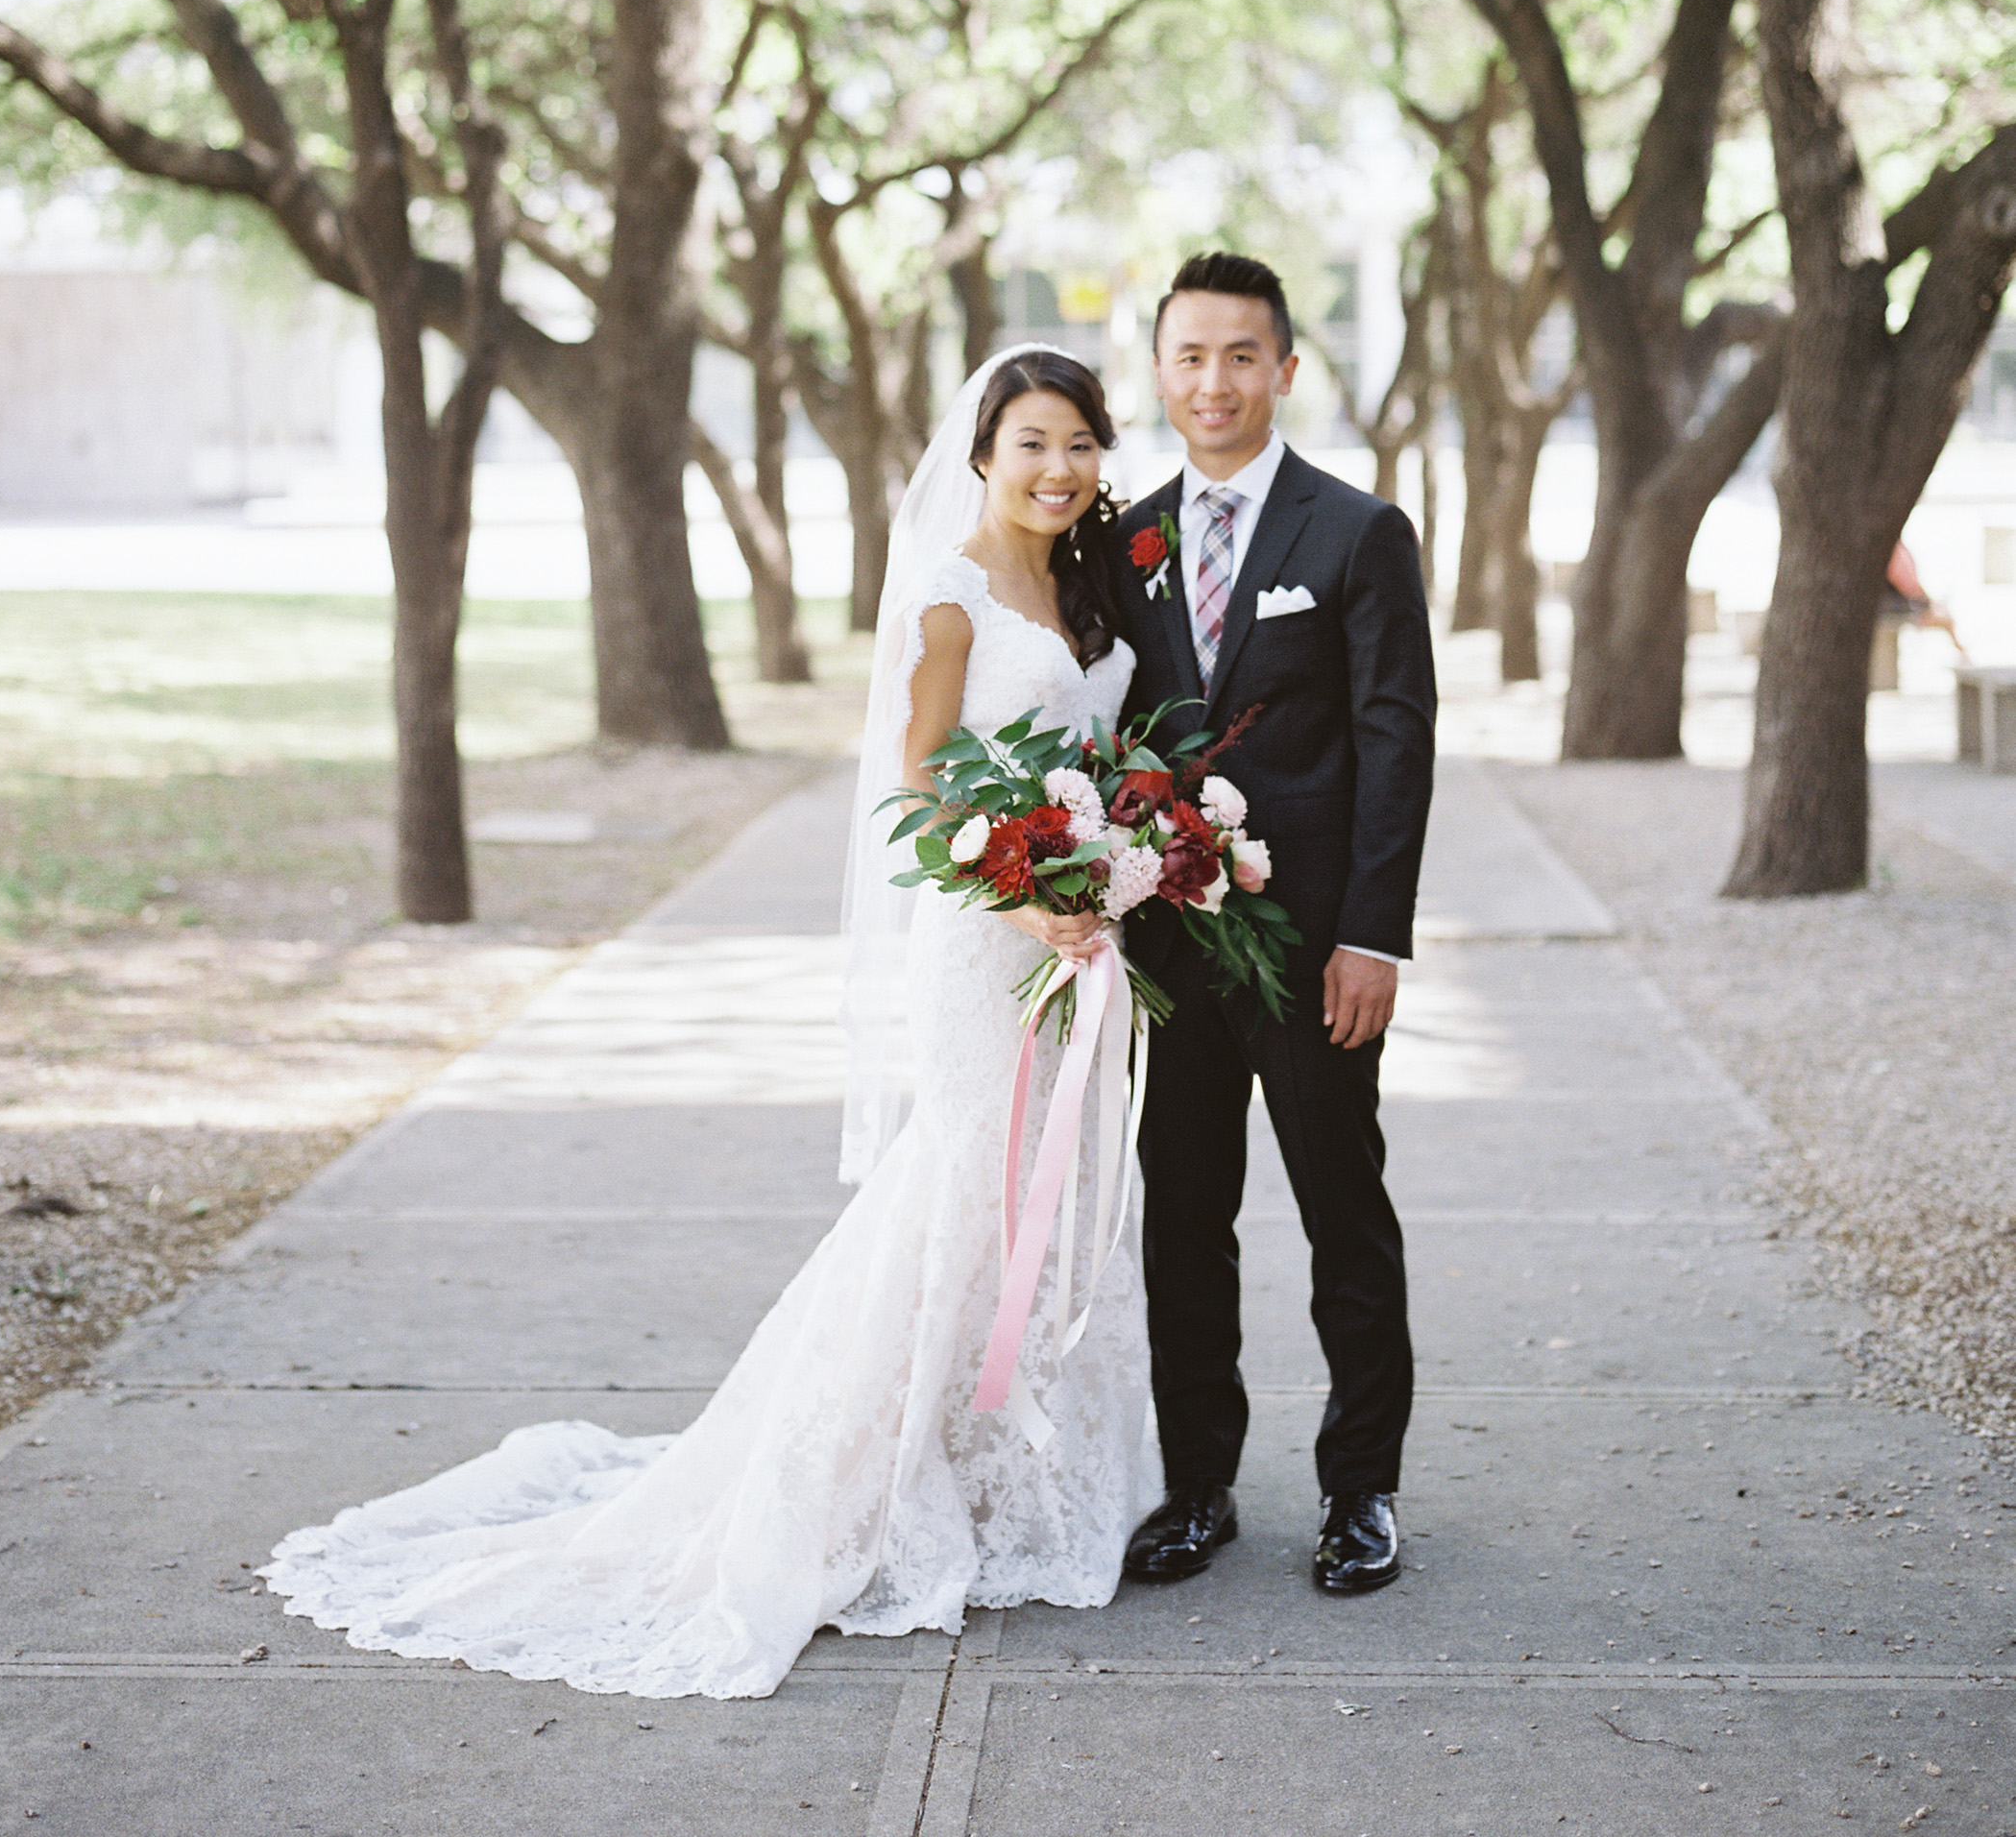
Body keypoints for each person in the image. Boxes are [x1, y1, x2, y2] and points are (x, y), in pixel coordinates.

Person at [266, 347, 1157, 1700]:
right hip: (985, 948)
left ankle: (1005, 1488)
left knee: (1064, 1195)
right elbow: (917, 795)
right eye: (1031, 441)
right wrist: (1026, 903)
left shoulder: (1086, 581)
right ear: (979, 451)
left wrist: (1117, 864)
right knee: (961, 1197)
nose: (1057, 468)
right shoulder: (948, 596)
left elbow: (1093, 760)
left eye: (1079, 443)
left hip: (1075, 943)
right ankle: (844, 1486)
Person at [1110, 250, 1435, 1597]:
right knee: (1182, 1219)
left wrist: (1375, 935)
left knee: (1338, 1212)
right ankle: (1197, 1487)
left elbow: (1393, 741)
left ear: (1284, 369)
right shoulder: (1118, 541)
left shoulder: (1355, 532)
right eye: (1189, 355)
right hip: (1168, 954)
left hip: (1313, 952)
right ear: (1161, 371)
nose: (1214, 380)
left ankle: (1359, 1491)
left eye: (1240, 355)